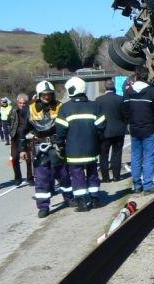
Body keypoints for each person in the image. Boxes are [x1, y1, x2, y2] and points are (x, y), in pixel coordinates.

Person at [20, 80, 74, 218]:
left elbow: (69, 126)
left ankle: (69, 198)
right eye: (44, 94)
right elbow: (23, 130)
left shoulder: (60, 107)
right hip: (40, 148)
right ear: (39, 95)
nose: (47, 97)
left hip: (58, 146)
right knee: (42, 178)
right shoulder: (30, 109)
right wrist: (22, 149)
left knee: (64, 175)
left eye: (49, 94)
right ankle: (43, 206)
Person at [56, 76, 106, 212]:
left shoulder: (65, 108)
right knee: (93, 173)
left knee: (77, 176)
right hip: (92, 149)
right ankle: (95, 199)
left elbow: (60, 131)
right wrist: (97, 141)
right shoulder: (95, 106)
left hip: (73, 151)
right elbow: (102, 127)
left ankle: (82, 203)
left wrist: (59, 145)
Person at [124, 66, 154, 194]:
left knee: (136, 157)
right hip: (150, 129)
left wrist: (129, 122)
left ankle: (137, 185)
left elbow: (124, 110)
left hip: (135, 130)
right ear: (146, 77)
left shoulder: (128, 92)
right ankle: (148, 185)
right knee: (149, 158)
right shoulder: (152, 91)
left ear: (136, 76)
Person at [95, 79, 127, 182]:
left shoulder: (98, 100)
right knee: (117, 154)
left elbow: (96, 117)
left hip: (104, 132)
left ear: (105, 88)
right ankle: (116, 176)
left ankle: (105, 177)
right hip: (119, 131)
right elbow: (125, 115)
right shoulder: (121, 99)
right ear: (114, 88)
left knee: (103, 155)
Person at [8, 93, 34, 186]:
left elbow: (33, 124)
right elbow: (8, 123)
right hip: (15, 138)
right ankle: (18, 178)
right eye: (20, 103)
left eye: (24, 103)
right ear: (17, 103)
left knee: (28, 159)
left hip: (26, 137)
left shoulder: (30, 112)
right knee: (14, 158)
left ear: (26, 103)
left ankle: (30, 178)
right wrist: (10, 133)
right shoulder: (13, 111)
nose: (22, 105)